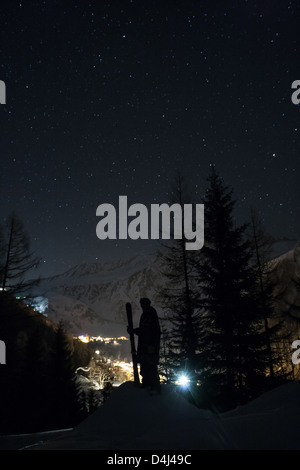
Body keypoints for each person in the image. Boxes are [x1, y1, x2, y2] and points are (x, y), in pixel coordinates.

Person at [129, 298, 161, 393]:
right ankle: (148, 386)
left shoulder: (150, 314)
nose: (142, 306)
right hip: (147, 347)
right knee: (146, 367)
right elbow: (145, 330)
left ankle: (153, 387)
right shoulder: (147, 315)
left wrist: (134, 331)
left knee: (149, 368)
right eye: (142, 304)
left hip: (149, 347)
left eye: (144, 304)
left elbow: (147, 331)